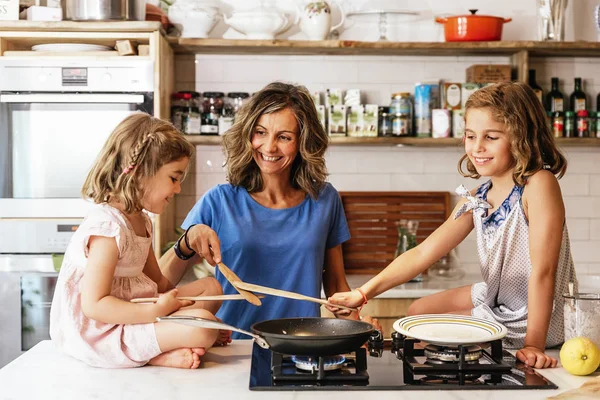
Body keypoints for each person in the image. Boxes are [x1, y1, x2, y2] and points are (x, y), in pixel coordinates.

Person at [328, 82, 578, 369]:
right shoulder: (477, 199)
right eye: (471, 136)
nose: (477, 147)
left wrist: (533, 344)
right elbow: (422, 253)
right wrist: (362, 294)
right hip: (501, 297)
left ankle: (444, 377)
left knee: (422, 329)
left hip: (535, 314)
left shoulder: (538, 184)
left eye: (491, 137)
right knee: (418, 312)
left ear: (522, 137)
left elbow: (544, 272)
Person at [159, 82, 368, 338]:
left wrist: (358, 326)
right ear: (248, 135)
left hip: (301, 346)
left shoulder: (325, 199)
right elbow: (160, 284)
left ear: (303, 142)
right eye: (260, 132)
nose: (269, 147)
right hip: (232, 346)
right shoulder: (219, 200)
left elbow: (336, 284)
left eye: (283, 137)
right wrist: (186, 242)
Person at [50, 113, 231, 370]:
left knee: (212, 288)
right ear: (141, 173)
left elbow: (159, 283)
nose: (178, 189)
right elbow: (94, 305)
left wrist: (184, 309)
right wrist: (160, 313)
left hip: (137, 314)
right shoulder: (108, 228)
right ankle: (156, 355)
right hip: (103, 332)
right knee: (202, 327)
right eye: (174, 178)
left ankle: (167, 341)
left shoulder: (142, 221)